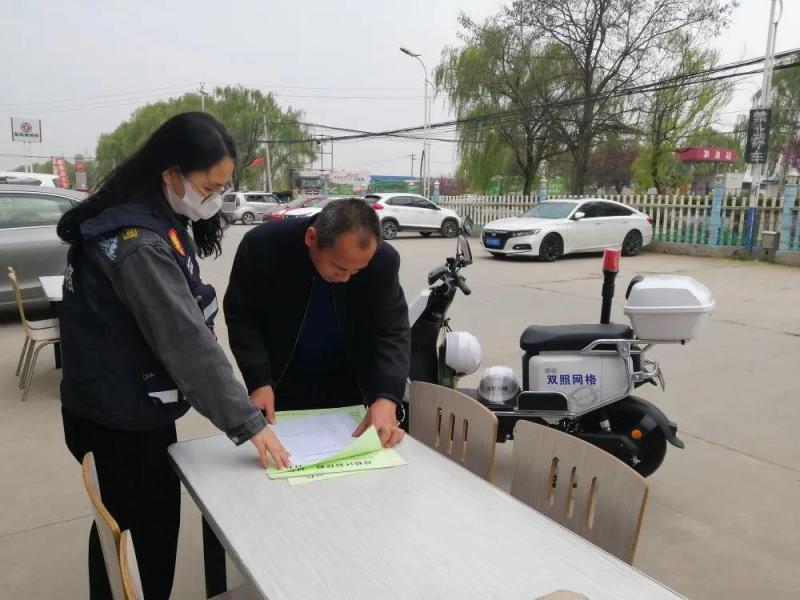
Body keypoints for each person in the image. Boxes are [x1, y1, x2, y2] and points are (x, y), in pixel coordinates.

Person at [56, 112, 289, 600]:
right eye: (208, 187)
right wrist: (249, 424)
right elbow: (188, 345)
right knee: (144, 540)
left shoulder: (149, 217)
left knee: (124, 532)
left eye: (223, 187)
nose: (215, 198)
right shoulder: (139, 243)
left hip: (114, 404)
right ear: (170, 173)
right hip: (119, 420)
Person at [223, 198, 410, 447]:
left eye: (356, 271)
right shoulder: (263, 246)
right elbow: (242, 317)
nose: (346, 278)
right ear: (311, 238)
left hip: (351, 383)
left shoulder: (383, 260)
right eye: (339, 268)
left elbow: (393, 330)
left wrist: (387, 396)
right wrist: (258, 380)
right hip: (280, 381)